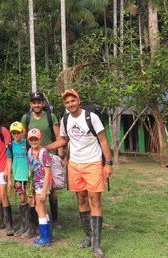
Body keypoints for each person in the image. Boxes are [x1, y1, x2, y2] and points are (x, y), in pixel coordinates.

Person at [45, 88, 114, 258]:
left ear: (78, 100)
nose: (70, 104)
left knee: (94, 200)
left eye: (73, 101)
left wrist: (108, 163)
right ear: (65, 104)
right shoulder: (65, 119)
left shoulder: (92, 117)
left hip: (93, 163)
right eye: (67, 102)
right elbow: (63, 139)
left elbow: (104, 141)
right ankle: (88, 236)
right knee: (81, 199)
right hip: (74, 164)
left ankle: (97, 245)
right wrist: (45, 148)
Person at [21, 91, 64, 237]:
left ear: (43, 103)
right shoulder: (26, 118)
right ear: (30, 104)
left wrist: (59, 155)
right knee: (33, 190)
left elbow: (59, 138)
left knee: (51, 191)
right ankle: (35, 223)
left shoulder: (50, 117)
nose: (37, 104)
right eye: (34, 102)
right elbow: (23, 138)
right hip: (33, 159)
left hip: (48, 156)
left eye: (39, 102)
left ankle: (55, 219)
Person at [26, 128, 52, 246]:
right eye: (31, 139)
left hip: (42, 184)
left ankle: (44, 238)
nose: (33, 141)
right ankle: (48, 234)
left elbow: (47, 173)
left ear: (40, 139)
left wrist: (43, 191)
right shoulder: (30, 151)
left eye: (35, 139)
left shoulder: (43, 152)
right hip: (34, 183)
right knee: (41, 208)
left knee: (39, 208)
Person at [5, 121, 30, 236]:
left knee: (32, 199)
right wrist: (9, 178)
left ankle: (32, 225)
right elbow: (9, 161)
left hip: (29, 177)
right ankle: (23, 226)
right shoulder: (10, 146)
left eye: (18, 133)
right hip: (18, 177)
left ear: (23, 132)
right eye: (13, 133)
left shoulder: (29, 143)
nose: (16, 135)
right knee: (22, 199)